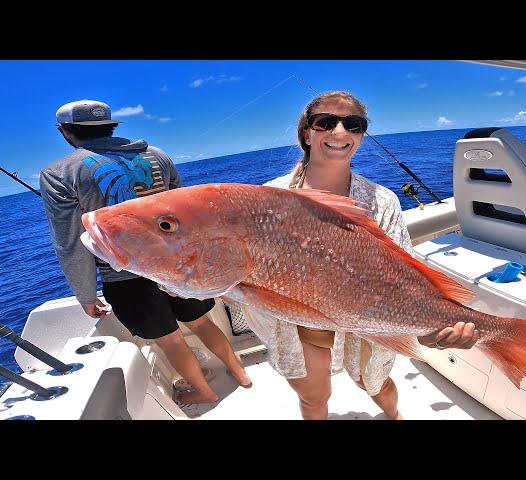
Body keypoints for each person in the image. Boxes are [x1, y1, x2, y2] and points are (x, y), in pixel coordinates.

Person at [261, 91, 477, 419]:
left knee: (374, 383)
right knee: (313, 397)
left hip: (369, 316)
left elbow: (404, 276)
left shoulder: (382, 200)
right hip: (302, 317)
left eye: (353, 124)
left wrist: (431, 328)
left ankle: (395, 416)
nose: (339, 132)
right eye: (325, 122)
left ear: (361, 135)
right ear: (307, 132)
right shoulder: (269, 198)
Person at [40, 99, 251, 405]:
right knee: (203, 322)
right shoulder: (158, 155)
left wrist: (86, 296)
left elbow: (70, 241)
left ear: (65, 131)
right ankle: (239, 372)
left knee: (169, 338)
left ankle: (205, 392)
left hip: (125, 276)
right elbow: (189, 217)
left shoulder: (59, 173)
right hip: (181, 268)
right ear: (112, 125)